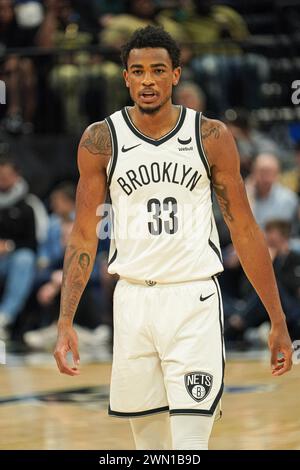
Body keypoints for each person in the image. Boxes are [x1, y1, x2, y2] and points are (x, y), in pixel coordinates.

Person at [54, 26, 293, 450]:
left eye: (158, 70)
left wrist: (276, 319)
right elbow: (84, 235)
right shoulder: (100, 140)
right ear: (125, 77)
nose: (148, 80)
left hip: (193, 301)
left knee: (189, 447)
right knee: (149, 450)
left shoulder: (211, 137)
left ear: (176, 75)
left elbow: (244, 228)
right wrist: (65, 321)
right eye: (138, 71)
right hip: (132, 302)